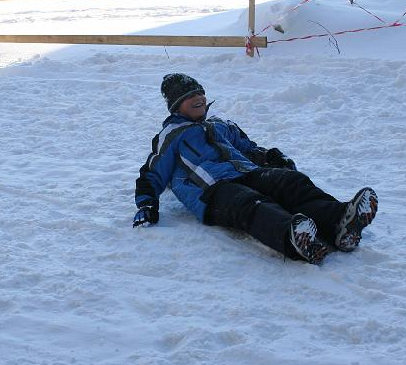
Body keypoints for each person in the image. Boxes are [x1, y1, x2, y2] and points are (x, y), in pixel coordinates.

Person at [133, 73, 378, 264]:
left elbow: (249, 148)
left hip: (246, 172)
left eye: (200, 93)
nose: (199, 98)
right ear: (177, 106)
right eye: (189, 96)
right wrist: (146, 204)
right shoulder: (171, 135)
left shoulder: (220, 125)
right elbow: (152, 172)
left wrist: (271, 157)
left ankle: (339, 223)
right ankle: (294, 239)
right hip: (212, 191)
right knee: (250, 203)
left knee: (290, 182)